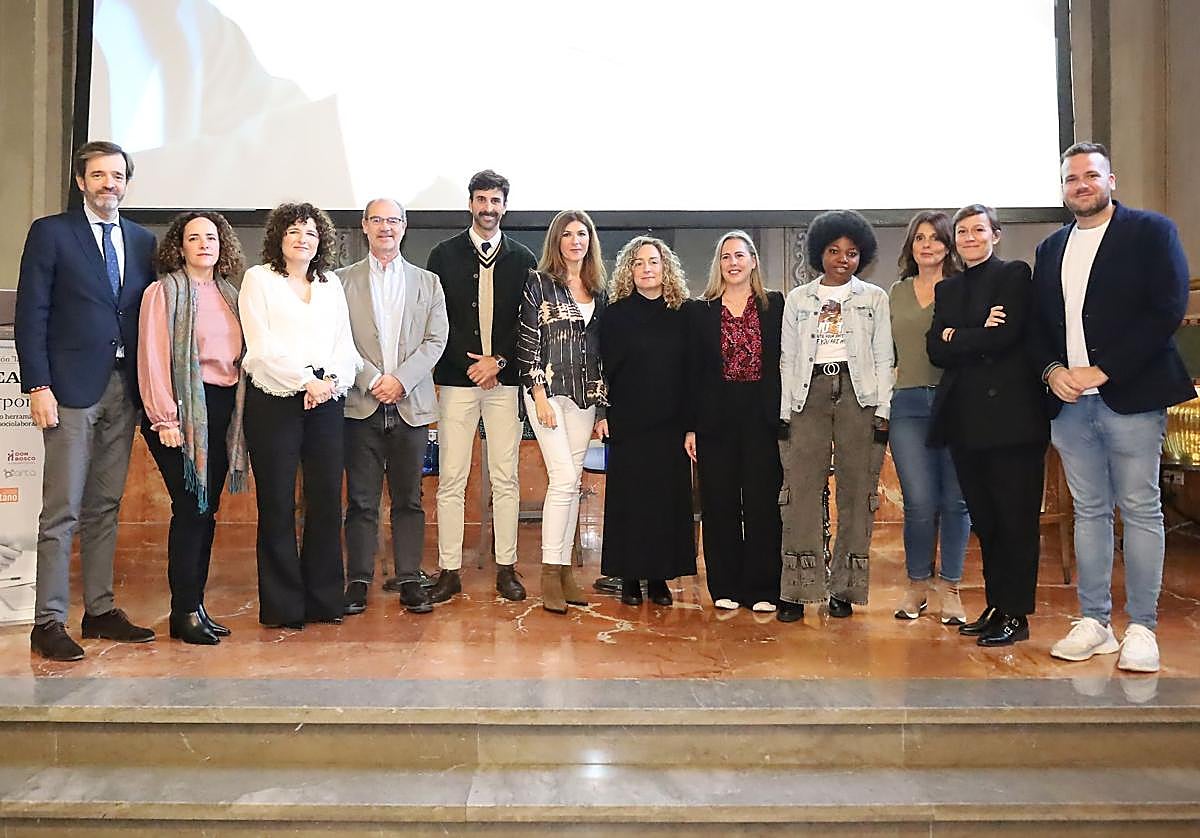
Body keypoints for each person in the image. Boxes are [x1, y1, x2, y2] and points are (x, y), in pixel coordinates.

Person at [1031, 142, 1192, 673]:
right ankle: (1094, 621)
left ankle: (1142, 626)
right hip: (1071, 405)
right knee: (1089, 510)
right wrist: (1054, 373)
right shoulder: (1051, 247)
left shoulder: (1150, 232)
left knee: (1141, 509)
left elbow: (1166, 307)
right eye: (1071, 178)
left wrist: (1105, 370)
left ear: (1110, 180)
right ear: (1063, 189)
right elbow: (1041, 323)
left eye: (1090, 175)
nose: (1081, 184)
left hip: (1131, 395)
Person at [15, 141, 158, 661]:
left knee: (105, 506)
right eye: (98, 175)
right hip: (69, 390)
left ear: (126, 182)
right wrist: (37, 386)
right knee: (61, 510)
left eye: (117, 176)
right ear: (81, 182)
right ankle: (48, 621)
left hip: (124, 387)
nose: (108, 184)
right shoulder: (51, 233)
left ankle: (99, 610)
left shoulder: (143, 241)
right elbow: (32, 312)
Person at [927, 204, 1048, 647]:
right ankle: (998, 605)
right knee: (988, 521)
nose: (970, 237)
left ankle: (1017, 614)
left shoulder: (1015, 274)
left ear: (995, 234)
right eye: (962, 231)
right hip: (965, 422)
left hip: (1013, 421)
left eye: (979, 229)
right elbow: (934, 350)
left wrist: (959, 334)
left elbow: (1005, 336)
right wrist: (973, 331)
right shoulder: (948, 288)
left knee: (1015, 521)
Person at [239, 202, 362, 629]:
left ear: (321, 240)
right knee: (276, 503)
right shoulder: (259, 280)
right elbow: (261, 345)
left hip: (326, 401)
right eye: (293, 231)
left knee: (326, 500)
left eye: (310, 232)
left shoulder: (330, 284)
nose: (302, 239)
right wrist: (304, 379)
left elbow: (345, 345)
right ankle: (282, 606)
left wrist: (326, 382)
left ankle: (325, 599)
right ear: (279, 237)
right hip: (274, 401)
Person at [137, 211, 248, 645]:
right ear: (178, 247)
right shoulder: (163, 293)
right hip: (180, 412)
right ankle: (182, 611)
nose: (204, 244)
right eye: (194, 237)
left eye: (212, 237)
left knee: (207, 510)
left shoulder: (230, 294)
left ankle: (195, 605)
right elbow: (152, 360)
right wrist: (165, 419)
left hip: (221, 411)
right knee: (191, 509)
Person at [427, 170, 538, 603]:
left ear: (505, 206)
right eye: (481, 199)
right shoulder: (444, 254)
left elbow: (526, 321)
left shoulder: (523, 258)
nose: (488, 208)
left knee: (505, 477)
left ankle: (507, 568)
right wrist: (471, 366)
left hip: (505, 382)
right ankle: (449, 571)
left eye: (495, 200)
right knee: (452, 476)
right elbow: (438, 320)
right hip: (456, 382)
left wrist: (499, 362)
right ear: (470, 203)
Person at [777, 210, 893, 622]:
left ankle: (844, 588)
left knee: (856, 493)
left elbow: (883, 355)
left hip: (859, 396)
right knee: (800, 492)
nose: (842, 259)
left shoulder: (874, 298)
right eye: (833, 250)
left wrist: (883, 408)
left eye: (852, 252)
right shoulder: (799, 299)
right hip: (808, 394)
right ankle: (796, 588)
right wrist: (786, 408)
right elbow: (788, 358)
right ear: (818, 253)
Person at [338, 199, 448, 617]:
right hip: (360, 405)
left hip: (411, 405)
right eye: (377, 220)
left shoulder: (428, 283)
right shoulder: (340, 281)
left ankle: (408, 579)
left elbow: (435, 341)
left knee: (409, 499)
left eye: (393, 220)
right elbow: (338, 341)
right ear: (364, 226)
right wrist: (372, 380)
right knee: (361, 501)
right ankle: (358, 581)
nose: (386, 227)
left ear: (405, 227)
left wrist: (400, 380)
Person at [685, 231, 784, 613]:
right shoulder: (701, 310)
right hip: (715, 419)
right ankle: (724, 584)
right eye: (726, 257)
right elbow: (693, 373)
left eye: (740, 255)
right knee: (719, 503)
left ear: (753, 261)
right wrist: (691, 426)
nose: (733, 263)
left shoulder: (774, 305)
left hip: (762, 417)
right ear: (719, 264)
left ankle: (763, 588)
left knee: (762, 503)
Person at [518, 210, 608, 614]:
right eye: (568, 234)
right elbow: (527, 341)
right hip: (547, 393)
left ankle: (566, 572)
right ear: (556, 240)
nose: (575, 240)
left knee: (570, 485)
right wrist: (537, 395)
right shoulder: (539, 283)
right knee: (565, 478)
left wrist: (603, 407)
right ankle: (550, 573)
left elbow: (603, 355)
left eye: (582, 233)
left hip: (585, 397)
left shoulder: (599, 290)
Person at [599, 236, 696, 607]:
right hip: (628, 422)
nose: (646, 269)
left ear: (665, 266)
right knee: (630, 501)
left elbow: (692, 373)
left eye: (653, 261)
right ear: (629, 270)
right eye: (638, 263)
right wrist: (603, 415)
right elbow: (603, 369)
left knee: (665, 502)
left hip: (671, 424)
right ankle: (627, 576)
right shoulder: (616, 314)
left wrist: (690, 425)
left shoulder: (684, 313)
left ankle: (659, 579)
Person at [888, 212, 970, 624]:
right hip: (906, 405)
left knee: (956, 500)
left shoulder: (964, 289)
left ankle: (950, 588)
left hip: (956, 403)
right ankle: (917, 584)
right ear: (911, 246)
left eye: (936, 238)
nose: (927, 245)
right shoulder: (896, 293)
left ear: (948, 245)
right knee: (919, 502)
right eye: (919, 238)